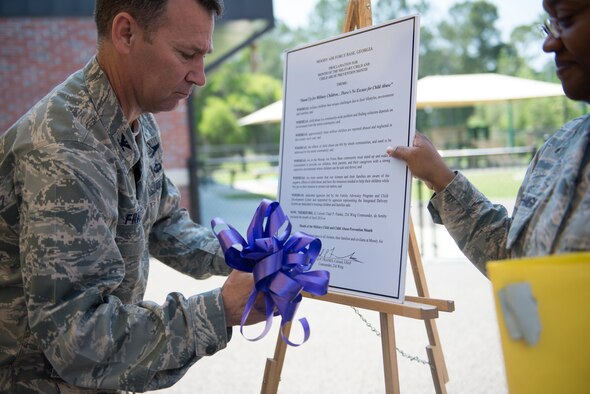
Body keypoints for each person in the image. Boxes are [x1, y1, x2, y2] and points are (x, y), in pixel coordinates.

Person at [0, 0, 267, 392]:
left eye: (203, 56)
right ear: (125, 33)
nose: (200, 76)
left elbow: (162, 221)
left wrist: (239, 255)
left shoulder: (138, 120)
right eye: (187, 54)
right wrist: (221, 309)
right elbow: (79, 339)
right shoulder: (64, 150)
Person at [388, 0, 590, 275]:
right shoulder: (558, 146)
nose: (549, 44)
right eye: (549, 26)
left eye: (565, 21)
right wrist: (441, 178)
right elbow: (512, 260)